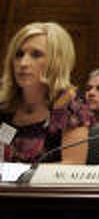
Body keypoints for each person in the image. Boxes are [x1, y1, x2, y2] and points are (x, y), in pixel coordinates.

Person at [0, 22, 92, 164]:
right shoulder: (4, 102)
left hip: (42, 185)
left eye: (36, 55)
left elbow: (72, 164)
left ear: (57, 61)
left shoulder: (71, 105)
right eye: (18, 54)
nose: (23, 63)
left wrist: (22, 175)